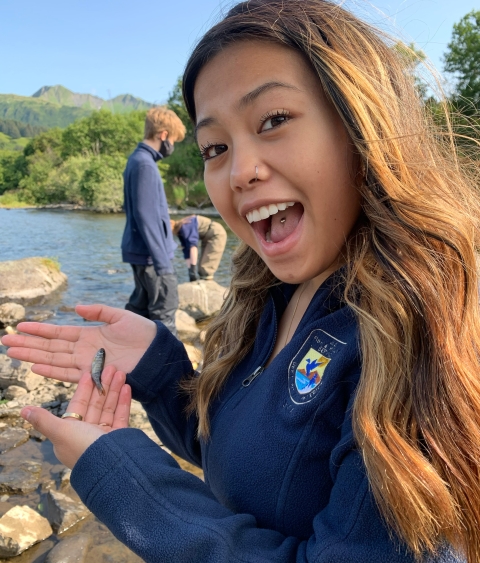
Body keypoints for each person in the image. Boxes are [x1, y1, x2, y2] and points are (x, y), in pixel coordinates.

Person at [3, 1, 480, 562]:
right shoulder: (268, 296)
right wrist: (159, 369)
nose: (239, 171)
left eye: (273, 121)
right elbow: (248, 462)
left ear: (363, 126)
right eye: (215, 148)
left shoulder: (425, 337)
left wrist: (123, 478)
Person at [121, 106, 186, 335]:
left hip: (141, 253)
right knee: (164, 314)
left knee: (139, 312)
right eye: (174, 140)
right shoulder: (145, 164)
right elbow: (146, 215)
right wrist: (163, 265)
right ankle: (173, 369)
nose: (172, 146)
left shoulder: (136, 160)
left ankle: (129, 360)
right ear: (164, 135)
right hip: (151, 258)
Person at [170, 215, 227, 281]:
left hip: (216, 233)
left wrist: (193, 269)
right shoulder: (180, 231)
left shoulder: (185, 226)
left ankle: (208, 285)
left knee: (206, 268)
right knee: (201, 268)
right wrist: (190, 270)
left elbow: (193, 247)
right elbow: (186, 251)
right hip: (206, 236)